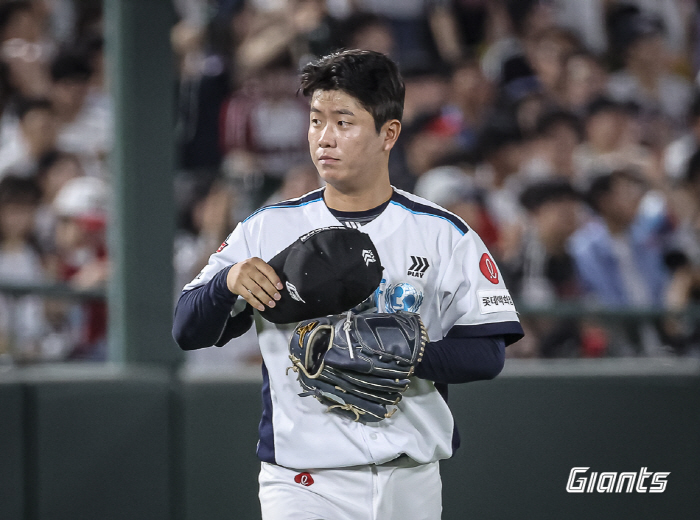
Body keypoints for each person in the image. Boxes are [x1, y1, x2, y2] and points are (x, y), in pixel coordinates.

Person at [173, 49, 523, 519]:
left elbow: (487, 352)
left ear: (388, 134)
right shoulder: (266, 228)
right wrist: (228, 282)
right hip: (303, 483)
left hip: (410, 478)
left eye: (344, 122)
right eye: (316, 121)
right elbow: (186, 328)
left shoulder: (442, 233)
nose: (325, 138)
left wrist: (410, 355)